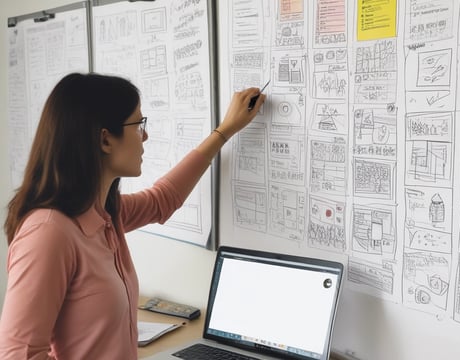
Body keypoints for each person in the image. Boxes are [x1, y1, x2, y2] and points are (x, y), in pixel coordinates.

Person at [0, 72, 265, 359]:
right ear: (105, 140)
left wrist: (224, 131)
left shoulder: (103, 214)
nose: (145, 135)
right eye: (139, 124)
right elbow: (19, 354)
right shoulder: (49, 232)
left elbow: (163, 200)